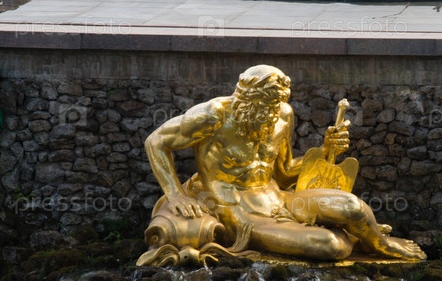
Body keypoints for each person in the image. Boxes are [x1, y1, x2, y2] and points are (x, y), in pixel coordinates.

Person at [144, 64, 425, 262]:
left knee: (353, 207)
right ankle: (350, 237)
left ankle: (380, 243)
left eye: (275, 107)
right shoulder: (213, 116)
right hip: (237, 212)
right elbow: (155, 141)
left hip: (279, 199)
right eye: (265, 108)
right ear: (245, 101)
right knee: (330, 245)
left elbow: (285, 171)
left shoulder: (282, 115)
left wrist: (325, 149)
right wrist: (176, 194)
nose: (271, 116)